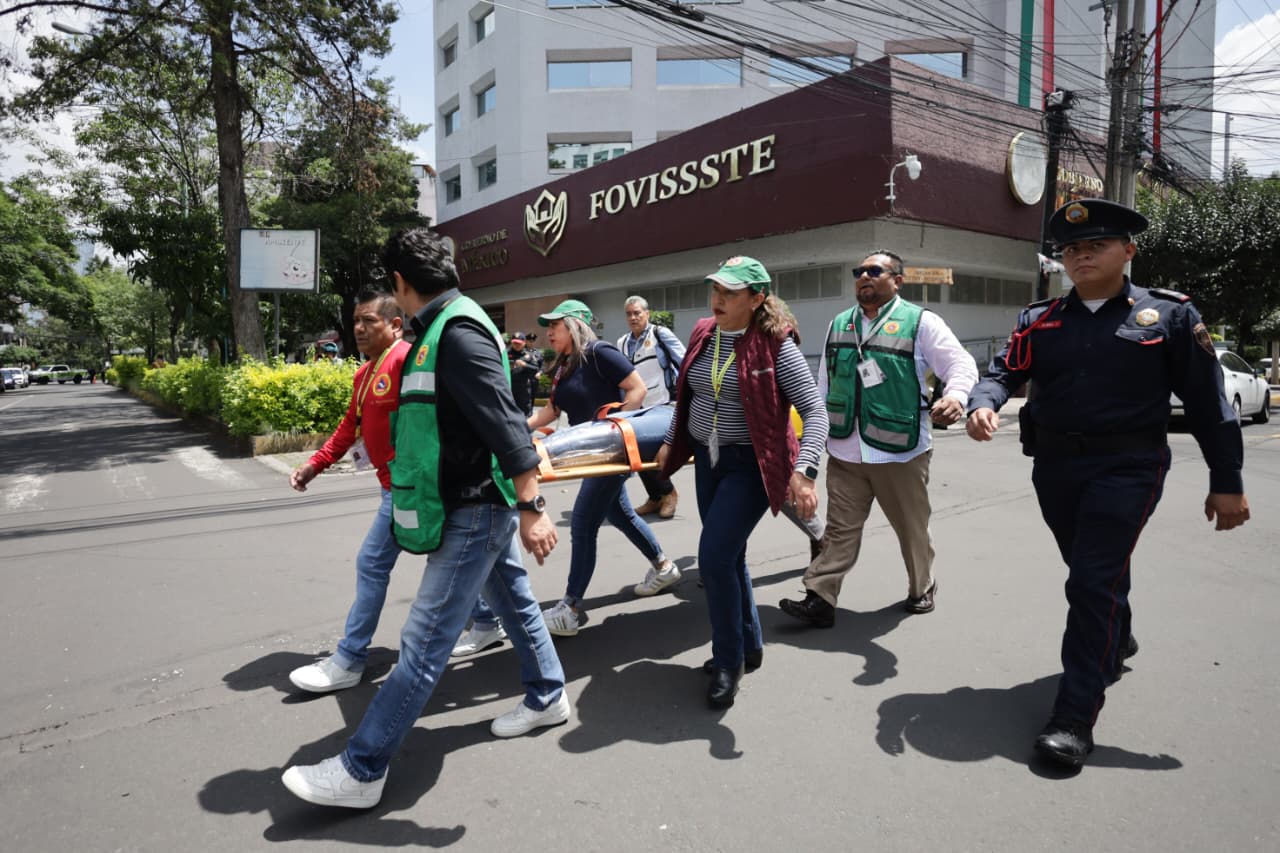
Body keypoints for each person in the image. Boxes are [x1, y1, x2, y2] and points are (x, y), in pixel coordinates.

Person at [282, 228, 567, 809]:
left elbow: (508, 424)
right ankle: (548, 696)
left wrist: (532, 506)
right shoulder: (441, 328)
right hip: (466, 501)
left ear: (400, 284)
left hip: (474, 505)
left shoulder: (456, 334)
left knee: (423, 642)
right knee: (513, 603)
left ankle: (362, 769)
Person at [965, 198, 1250, 768]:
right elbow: (1003, 372)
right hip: (1055, 470)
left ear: (1129, 250)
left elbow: (1208, 404)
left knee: (1090, 583)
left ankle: (1073, 717)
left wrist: (1227, 480)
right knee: (1092, 572)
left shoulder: (1168, 316)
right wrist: (982, 403)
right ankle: (1115, 638)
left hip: (1129, 469)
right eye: (1071, 248)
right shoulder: (1039, 318)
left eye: (1096, 245)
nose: (1081, 255)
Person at [656, 256, 827, 708]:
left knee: (713, 560)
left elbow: (815, 411)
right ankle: (749, 646)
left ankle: (727, 660)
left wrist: (805, 472)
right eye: (715, 289)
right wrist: (672, 439)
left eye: (730, 293)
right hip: (709, 462)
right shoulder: (703, 333)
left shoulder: (775, 345)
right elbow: (686, 396)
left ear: (757, 299)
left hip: (751, 464)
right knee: (730, 557)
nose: (718, 299)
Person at [779, 250, 978, 628]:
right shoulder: (840, 323)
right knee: (839, 530)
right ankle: (820, 596)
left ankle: (923, 586)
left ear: (897, 280)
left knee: (912, 529)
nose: (863, 277)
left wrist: (956, 396)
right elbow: (822, 384)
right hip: (845, 449)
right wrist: (811, 442)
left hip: (900, 451)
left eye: (874, 270)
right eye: (859, 271)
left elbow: (960, 364)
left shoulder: (921, 322)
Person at [528, 299, 681, 636]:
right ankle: (664, 566)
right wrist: (519, 429)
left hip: (613, 451)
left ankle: (570, 607)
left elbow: (637, 388)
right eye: (548, 326)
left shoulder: (600, 352)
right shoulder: (565, 365)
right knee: (620, 514)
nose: (549, 332)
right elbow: (551, 411)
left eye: (555, 325)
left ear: (575, 326)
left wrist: (617, 429)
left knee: (583, 521)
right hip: (592, 454)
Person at [287, 291, 411, 693]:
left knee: (372, 563)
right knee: (468, 559)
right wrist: (314, 465)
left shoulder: (409, 361)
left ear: (395, 325)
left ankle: (351, 657)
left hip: (410, 488)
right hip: (394, 486)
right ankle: (485, 622)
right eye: (356, 321)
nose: (359, 328)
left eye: (369, 320)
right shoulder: (365, 373)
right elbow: (349, 428)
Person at [618, 295, 686, 519]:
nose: (633, 317)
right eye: (629, 314)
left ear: (647, 314)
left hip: (664, 404)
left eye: (637, 313)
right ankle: (655, 497)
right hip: (638, 408)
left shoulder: (660, 334)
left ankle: (669, 493)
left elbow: (684, 361)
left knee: (652, 452)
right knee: (634, 452)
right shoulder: (622, 343)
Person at [507, 331, 543, 416]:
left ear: (523, 343)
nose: (516, 345)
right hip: (509, 389)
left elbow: (536, 369)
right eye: (514, 343)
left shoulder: (529, 355)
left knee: (525, 414)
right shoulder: (506, 354)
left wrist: (525, 365)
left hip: (523, 390)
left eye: (519, 343)